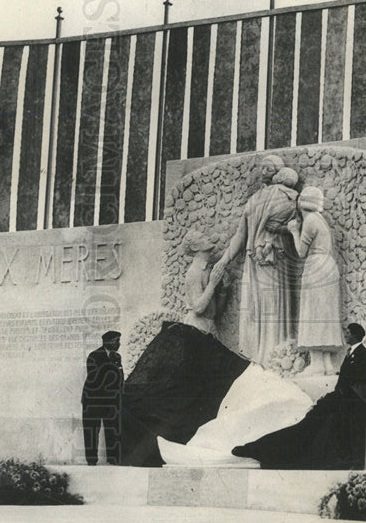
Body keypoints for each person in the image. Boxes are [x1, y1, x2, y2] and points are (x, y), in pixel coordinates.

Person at [120, 231, 248, 466]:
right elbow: (198, 307)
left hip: (209, 331)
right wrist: (212, 283)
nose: (210, 242)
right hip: (194, 334)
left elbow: (214, 312)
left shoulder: (206, 270)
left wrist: (224, 289)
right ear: (197, 247)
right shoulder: (192, 273)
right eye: (204, 240)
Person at [232, 323, 366, 469]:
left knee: (310, 425)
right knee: (307, 425)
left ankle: (258, 449)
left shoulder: (363, 354)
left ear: (355, 335)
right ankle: (258, 448)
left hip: (351, 401)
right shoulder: (351, 353)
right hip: (342, 400)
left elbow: (355, 382)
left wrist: (333, 399)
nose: (345, 335)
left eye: (348, 332)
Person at [213, 156, 300, 368]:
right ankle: (267, 356)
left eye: (267, 168)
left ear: (275, 172)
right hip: (265, 259)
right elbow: (240, 236)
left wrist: (224, 260)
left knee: (268, 305)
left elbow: (241, 237)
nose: (263, 171)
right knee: (261, 306)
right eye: (263, 167)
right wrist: (224, 260)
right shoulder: (264, 199)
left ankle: (273, 356)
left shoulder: (279, 198)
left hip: (270, 258)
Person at [288, 185, 344, 375]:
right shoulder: (320, 220)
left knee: (313, 313)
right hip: (328, 267)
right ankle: (327, 363)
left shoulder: (310, 220)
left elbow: (301, 252)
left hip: (316, 267)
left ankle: (317, 364)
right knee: (325, 314)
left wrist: (294, 231)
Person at [82, 330, 124, 465]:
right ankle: (91, 461)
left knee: (113, 429)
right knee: (92, 430)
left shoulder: (117, 357)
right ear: (108, 342)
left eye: (119, 341)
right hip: (93, 400)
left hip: (111, 401)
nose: (119, 344)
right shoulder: (94, 356)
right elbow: (94, 378)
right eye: (116, 341)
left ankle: (114, 459)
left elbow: (119, 376)